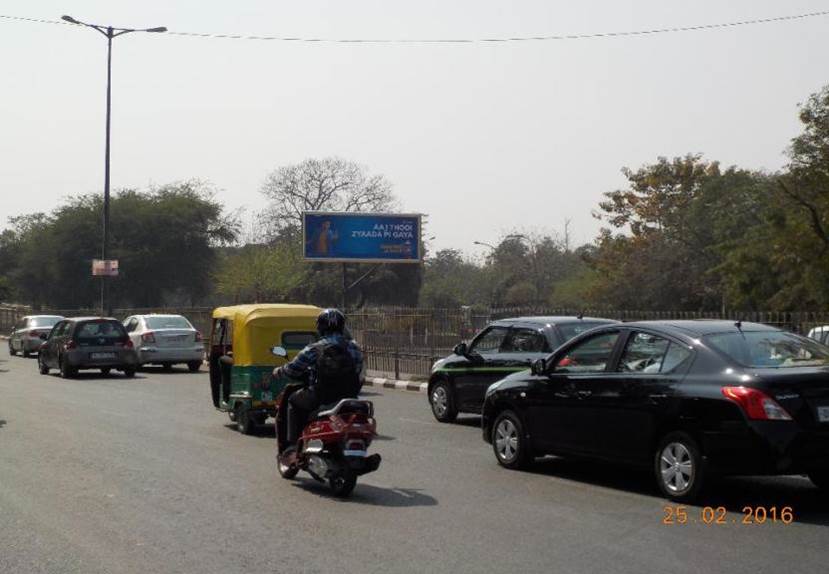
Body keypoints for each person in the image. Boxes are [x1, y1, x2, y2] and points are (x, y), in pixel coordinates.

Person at [273, 308, 363, 454]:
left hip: (321, 396)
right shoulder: (354, 348)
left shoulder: (314, 349)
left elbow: (293, 369)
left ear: (320, 327)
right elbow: (359, 371)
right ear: (341, 326)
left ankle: (293, 447)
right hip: (349, 397)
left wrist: (279, 371)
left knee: (292, 401)